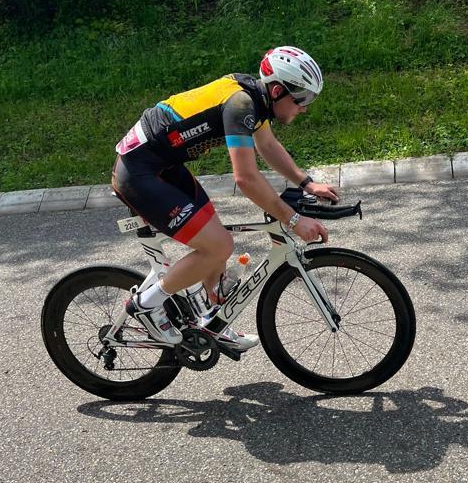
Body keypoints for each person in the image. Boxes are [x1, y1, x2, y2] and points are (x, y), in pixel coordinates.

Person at [111, 46, 339, 353]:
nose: (305, 108)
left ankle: (212, 324)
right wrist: (293, 220)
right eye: (302, 99)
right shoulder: (241, 105)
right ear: (277, 90)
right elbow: (245, 178)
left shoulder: (255, 99)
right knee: (219, 246)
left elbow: (268, 146)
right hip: (138, 172)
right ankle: (146, 304)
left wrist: (307, 183)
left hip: (162, 165)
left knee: (216, 247)